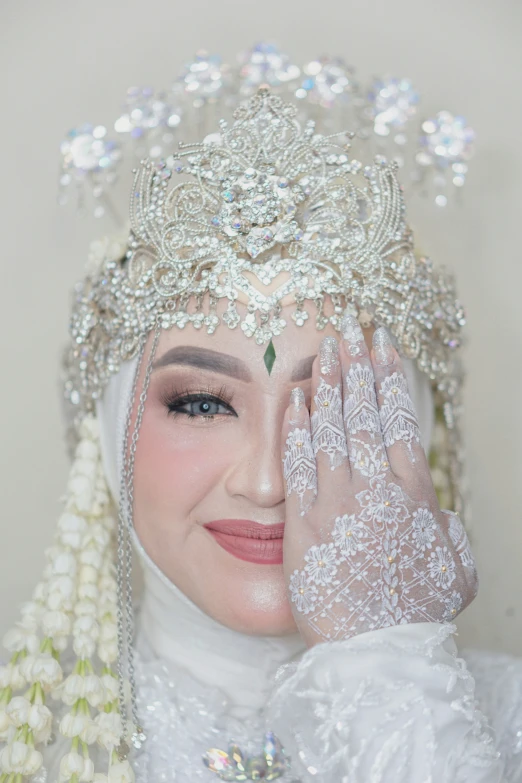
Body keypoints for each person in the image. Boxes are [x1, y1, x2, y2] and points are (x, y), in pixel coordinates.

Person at [1, 46, 521, 783]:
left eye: (332, 407)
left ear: (416, 430)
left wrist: (389, 667)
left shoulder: (509, 723)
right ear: (109, 433)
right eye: (204, 403)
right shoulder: (36, 744)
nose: (272, 478)